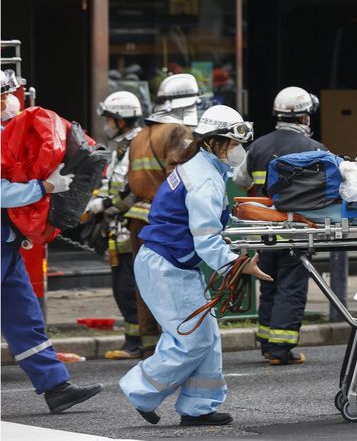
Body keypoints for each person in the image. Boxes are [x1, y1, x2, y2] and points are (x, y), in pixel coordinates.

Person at [119, 105, 272, 427]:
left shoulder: (202, 168)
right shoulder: (204, 178)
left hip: (170, 265)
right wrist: (238, 265)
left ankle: (199, 407)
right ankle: (140, 389)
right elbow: (206, 240)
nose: (239, 151)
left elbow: (208, 225)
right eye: (234, 143)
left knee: (207, 337)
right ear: (215, 143)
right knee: (191, 339)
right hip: (166, 268)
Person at [1, 69, 103, 414]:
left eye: (10, 94)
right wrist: (45, 188)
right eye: (3, 96)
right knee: (21, 315)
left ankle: (56, 387)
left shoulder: (7, 134)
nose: (10, 101)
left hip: (7, 243)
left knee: (24, 317)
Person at [234, 86, 325, 365]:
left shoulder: (258, 146)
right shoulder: (316, 150)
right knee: (292, 287)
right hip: (296, 230)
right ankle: (280, 349)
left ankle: (266, 343)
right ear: (304, 118)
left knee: (269, 285)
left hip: (263, 231)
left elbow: (240, 179)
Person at [126, 73, 199, 357]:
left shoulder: (141, 135)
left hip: (137, 217)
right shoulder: (177, 132)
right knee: (173, 283)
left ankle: (148, 343)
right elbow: (179, 175)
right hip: (165, 220)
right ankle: (175, 344)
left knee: (144, 283)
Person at [85, 91, 145, 359]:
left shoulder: (137, 145)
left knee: (129, 287)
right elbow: (112, 183)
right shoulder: (120, 146)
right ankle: (134, 340)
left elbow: (132, 190)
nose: (106, 124)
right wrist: (96, 200)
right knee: (122, 287)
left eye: (109, 118)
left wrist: (105, 205)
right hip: (117, 229)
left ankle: (137, 342)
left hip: (131, 228)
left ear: (122, 119)